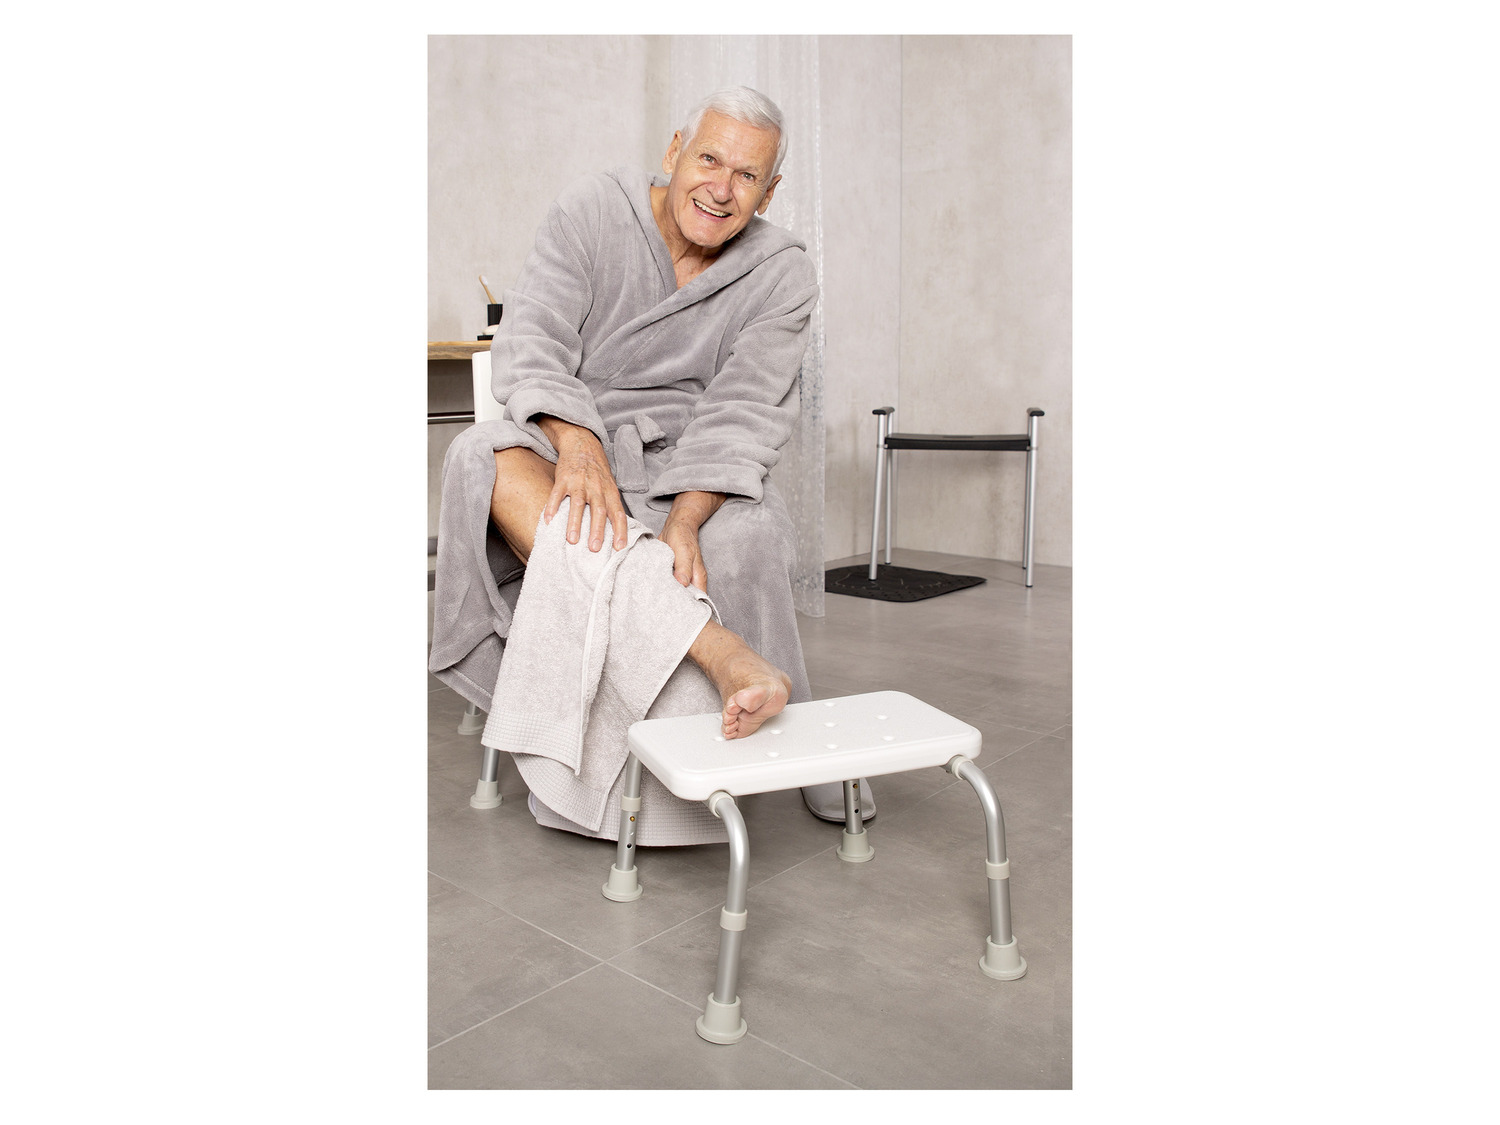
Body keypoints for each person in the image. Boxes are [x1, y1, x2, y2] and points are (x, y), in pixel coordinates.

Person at [430, 86, 873, 835]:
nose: (721, 188)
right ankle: (724, 653)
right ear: (674, 151)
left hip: (691, 469)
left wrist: (687, 520)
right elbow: (532, 341)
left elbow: (743, 411)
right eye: (709, 159)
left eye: (746, 175)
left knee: (751, 534)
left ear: (769, 191)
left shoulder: (782, 273)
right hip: (573, 438)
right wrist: (579, 445)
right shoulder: (592, 211)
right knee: (480, 454)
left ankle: (785, 731)